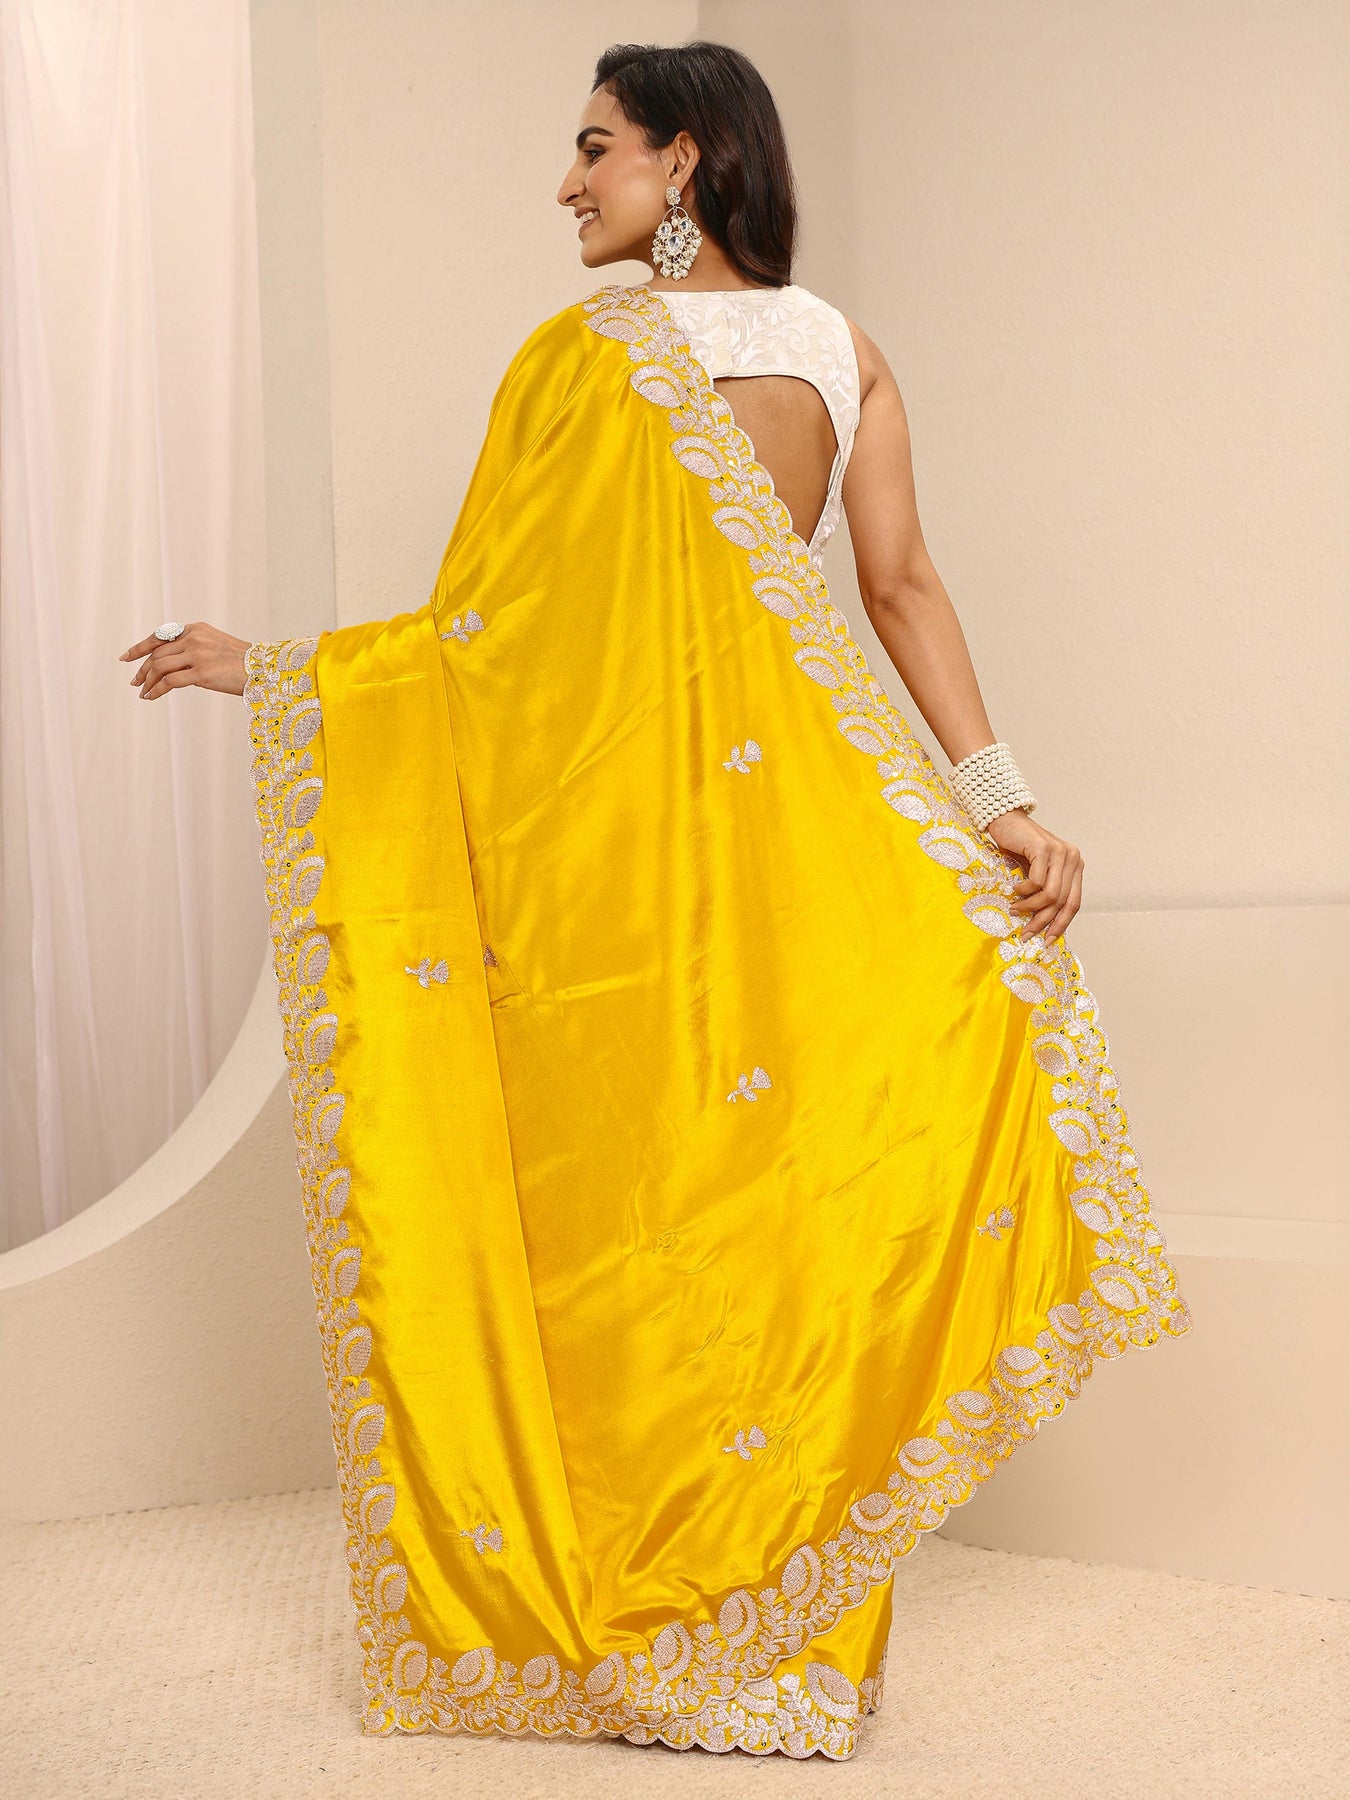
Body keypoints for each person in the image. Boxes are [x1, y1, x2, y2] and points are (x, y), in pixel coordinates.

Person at [119, 40, 1191, 1764]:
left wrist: (288, 674)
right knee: (745, 1210)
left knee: (661, 1218)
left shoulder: (589, 353)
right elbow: (897, 589)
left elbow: (486, 645)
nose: (566, 184)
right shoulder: (838, 349)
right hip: (776, 843)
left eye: (595, 147)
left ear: (683, 162)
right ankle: (759, 1652)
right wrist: (996, 799)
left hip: (630, 858)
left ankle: (709, 1632)